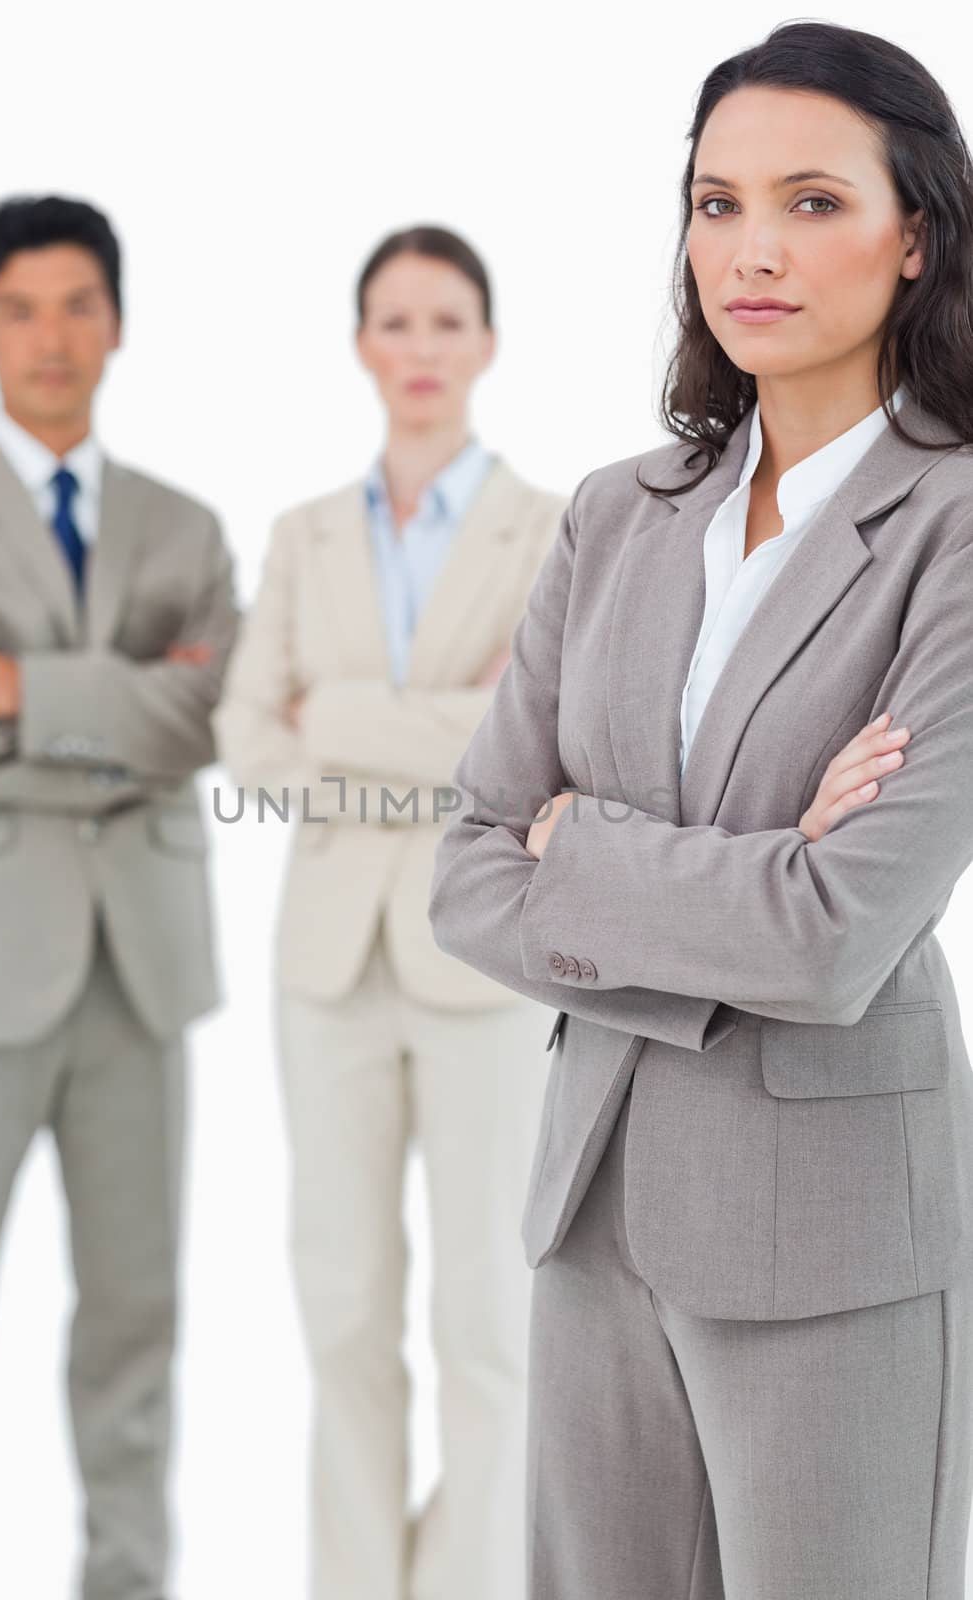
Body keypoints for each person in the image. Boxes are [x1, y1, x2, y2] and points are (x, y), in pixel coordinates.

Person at [428, 21, 973, 1600]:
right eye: (716, 203)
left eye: (811, 202)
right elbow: (468, 872)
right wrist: (750, 872)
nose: (754, 249)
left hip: (833, 1243)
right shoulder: (620, 512)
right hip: (591, 1213)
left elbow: (833, 938)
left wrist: (579, 852)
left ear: (916, 232)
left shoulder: (952, 523)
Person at [214, 224, 566, 1600]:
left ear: (487, 342)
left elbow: (537, 751)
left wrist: (345, 719)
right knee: (342, 1312)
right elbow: (248, 738)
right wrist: (440, 740)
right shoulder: (304, 534)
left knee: (486, 1316)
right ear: (362, 345)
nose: (420, 349)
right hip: (326, 964)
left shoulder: (554, 529)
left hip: (481, 962)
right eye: (395, 322)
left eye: (446, 321)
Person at [0, 194, 238, 1599]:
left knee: (135, 1320)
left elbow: (205, 721)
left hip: (142, 972)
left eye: (78, 304)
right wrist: (124, 714)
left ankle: (129, 1582)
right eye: (21, 309)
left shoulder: (184, 522)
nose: (53, 337)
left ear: (117, 321)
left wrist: (17, 685)